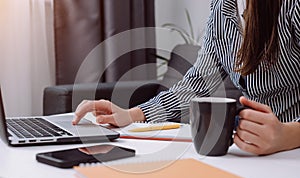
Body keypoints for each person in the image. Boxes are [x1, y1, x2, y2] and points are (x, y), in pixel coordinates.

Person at [72, 0, 300, 155]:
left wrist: (287, 136)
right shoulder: (223, 7)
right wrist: (130, 115)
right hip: (257, 153)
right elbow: (197, 84)